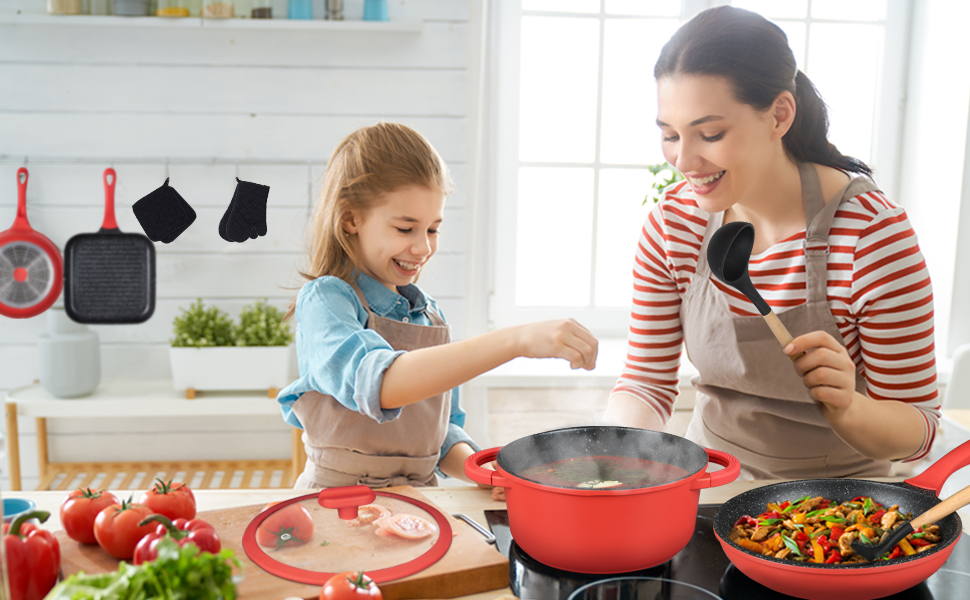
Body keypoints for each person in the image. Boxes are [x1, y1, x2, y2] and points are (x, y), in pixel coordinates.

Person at [602, 6, 940, 480]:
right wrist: (609, 461)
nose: (684, 160)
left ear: (779, 115)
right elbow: (646, 382)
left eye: (710, 133)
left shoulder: (870, 236)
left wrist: (850, 407)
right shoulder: (674, 224)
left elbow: (919, 430)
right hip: (710, 484)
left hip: (841, 501)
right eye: (671, 135)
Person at [278, 122, 598, 495]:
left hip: (419, 500)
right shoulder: (326, 301)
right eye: (405, 229)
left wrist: (484, 472)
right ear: (351, 219)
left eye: (432, 229)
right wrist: (517, 340)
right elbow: (381, 385)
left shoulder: (429, 316)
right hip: (334, 502)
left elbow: (439, 433)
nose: (424, 248)